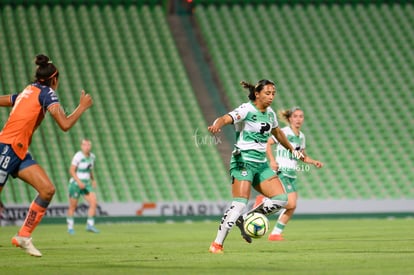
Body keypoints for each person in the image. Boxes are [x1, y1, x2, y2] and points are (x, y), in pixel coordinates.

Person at [0, 54, 93, 256]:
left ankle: (23, 236)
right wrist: (82, 107)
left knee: (47, 190)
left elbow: (8, 100)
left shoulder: (28, 90)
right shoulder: (48, 93)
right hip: (6, 148)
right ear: (54, 79)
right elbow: (65, 124)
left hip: (18, 150)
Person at [207, 79, 302, 254]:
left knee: (282, 199)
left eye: (273, 93)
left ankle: (246, 218)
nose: (271, 96)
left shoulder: (271, 114)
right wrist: (217, 125)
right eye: (267, 93)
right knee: (240, 202)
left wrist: (292, 150)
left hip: (261, 164)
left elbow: (278, 133)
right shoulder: (246, 109)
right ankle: (217, 244)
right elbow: (225, 118)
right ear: (257, 94)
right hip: (243, 161)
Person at [255, 106, 323, 241]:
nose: (298, 119)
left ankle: (275, 233)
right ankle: (264, 201)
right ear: (290, 118)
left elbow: (301, 155)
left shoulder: (301, 137)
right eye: (296, 116)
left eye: (301, 116)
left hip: (292, 174)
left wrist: (313, 161)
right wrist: (272, 160)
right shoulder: (284, 132)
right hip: (282, 171)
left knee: (292, 206)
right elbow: (267, 143)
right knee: (289, 203)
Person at [66, 138, 99, 234]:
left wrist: (93, 180)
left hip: (86, 184)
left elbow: (90, 169)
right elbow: (71, 170)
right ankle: (70, 227)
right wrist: (79, 182)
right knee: (73, 206)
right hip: (76, 184)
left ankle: (90, 225)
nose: (87, 147)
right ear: (81, 146)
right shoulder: (78, 156)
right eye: (85, 145)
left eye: (88, 145)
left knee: (93, 202)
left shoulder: (92, 157)